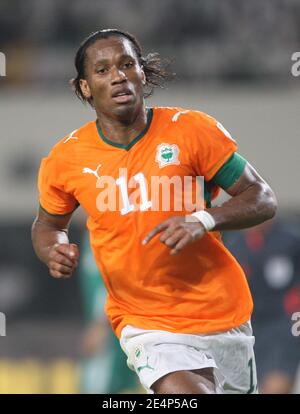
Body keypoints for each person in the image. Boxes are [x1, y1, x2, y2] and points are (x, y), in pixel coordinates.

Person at [31, 29, 277, 394]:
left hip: (222, 312)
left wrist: (204, 220)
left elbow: (261, 197)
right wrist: (53, 248)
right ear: (85, 87)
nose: (117, 76)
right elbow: (48, 224)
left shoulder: (193, 131)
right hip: (145, 322)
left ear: (142, 73)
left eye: (127, 64)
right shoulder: (65, 159)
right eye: (102, 70)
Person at [225, 219, 300, 394]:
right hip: (249, 325)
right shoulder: (235, 245)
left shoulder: (290, 240)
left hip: (283, 324)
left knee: (277, 382)